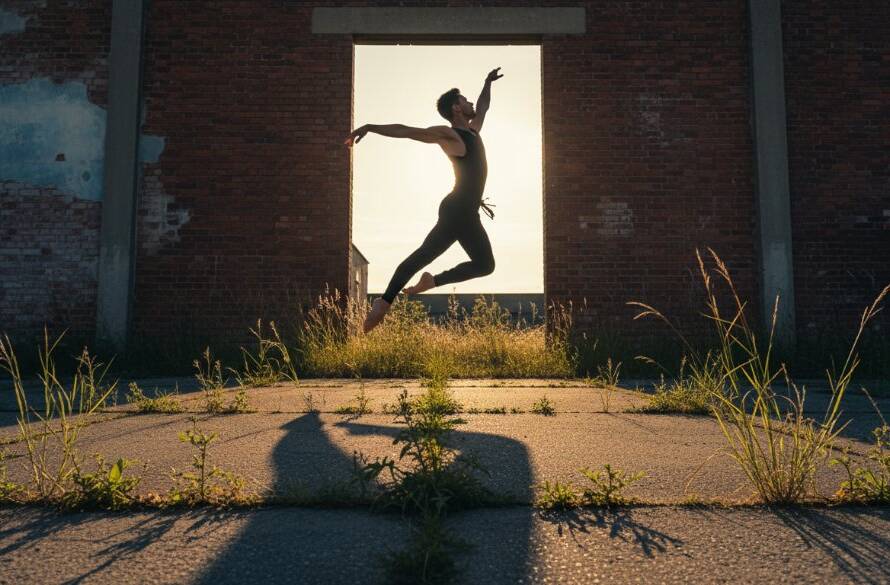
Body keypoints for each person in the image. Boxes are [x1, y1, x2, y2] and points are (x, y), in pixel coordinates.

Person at [344, 67, 504, 333]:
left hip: (468, 212)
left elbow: (484, 106)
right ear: (456, 108)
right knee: (423, 255)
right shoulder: (449, 135)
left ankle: (431, 281)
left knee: (485, 265)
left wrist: (487, 83)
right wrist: (371, 127)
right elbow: (407, 131)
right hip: (456, 211)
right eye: (465, 100)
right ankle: (383, 302)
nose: (471, 102)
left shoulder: (474, 132)